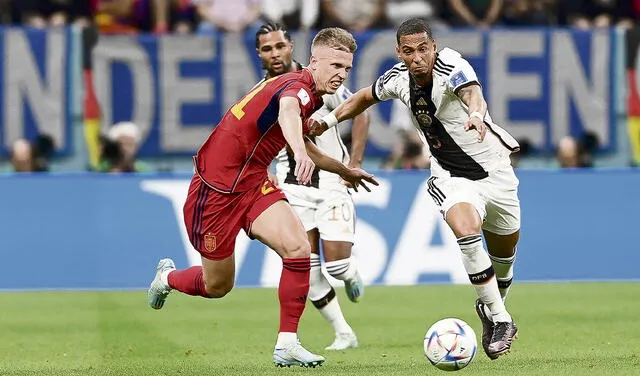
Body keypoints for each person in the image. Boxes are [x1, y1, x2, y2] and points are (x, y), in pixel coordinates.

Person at [147, 27, 378, 368]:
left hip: (253, 184)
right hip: (214, 193)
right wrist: (297, 151)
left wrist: (342, 170)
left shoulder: (305, 91)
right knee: (217, 285)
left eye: (346, 68)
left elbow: (302, 137)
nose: (341, 74)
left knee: (298, 248)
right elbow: (288, 114)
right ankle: (167, 278)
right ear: (314, 62)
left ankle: (287, 343)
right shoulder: (295, 88)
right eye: (335, 66)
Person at [310, 18, 520, 360]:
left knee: (505, 257)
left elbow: (473, 93)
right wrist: (328, 121)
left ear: (433, 47)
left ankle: (492, 308)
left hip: (496, 172)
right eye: (408, 51)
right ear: (399, 52)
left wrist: (477, 115)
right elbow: (363, 98)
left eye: (423, 49)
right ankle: (501, 319)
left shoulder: (452, 65)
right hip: (452, 176)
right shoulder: (397, 78)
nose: (417, 57)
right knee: (465, 228)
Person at [255, 22, 370, 351]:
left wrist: (355, 162)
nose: (275, 54)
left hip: (332, 184)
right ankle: (343, 332)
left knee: (337, 266)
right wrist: (264, 170)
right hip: (293, 190)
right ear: (259, 54)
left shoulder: (322, 80)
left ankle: (349, 274)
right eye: (267, 48)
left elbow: (361, 112)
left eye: (280, 46)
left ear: (292, 47)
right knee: (304, 264)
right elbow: (256, 136)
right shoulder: (263, 91)